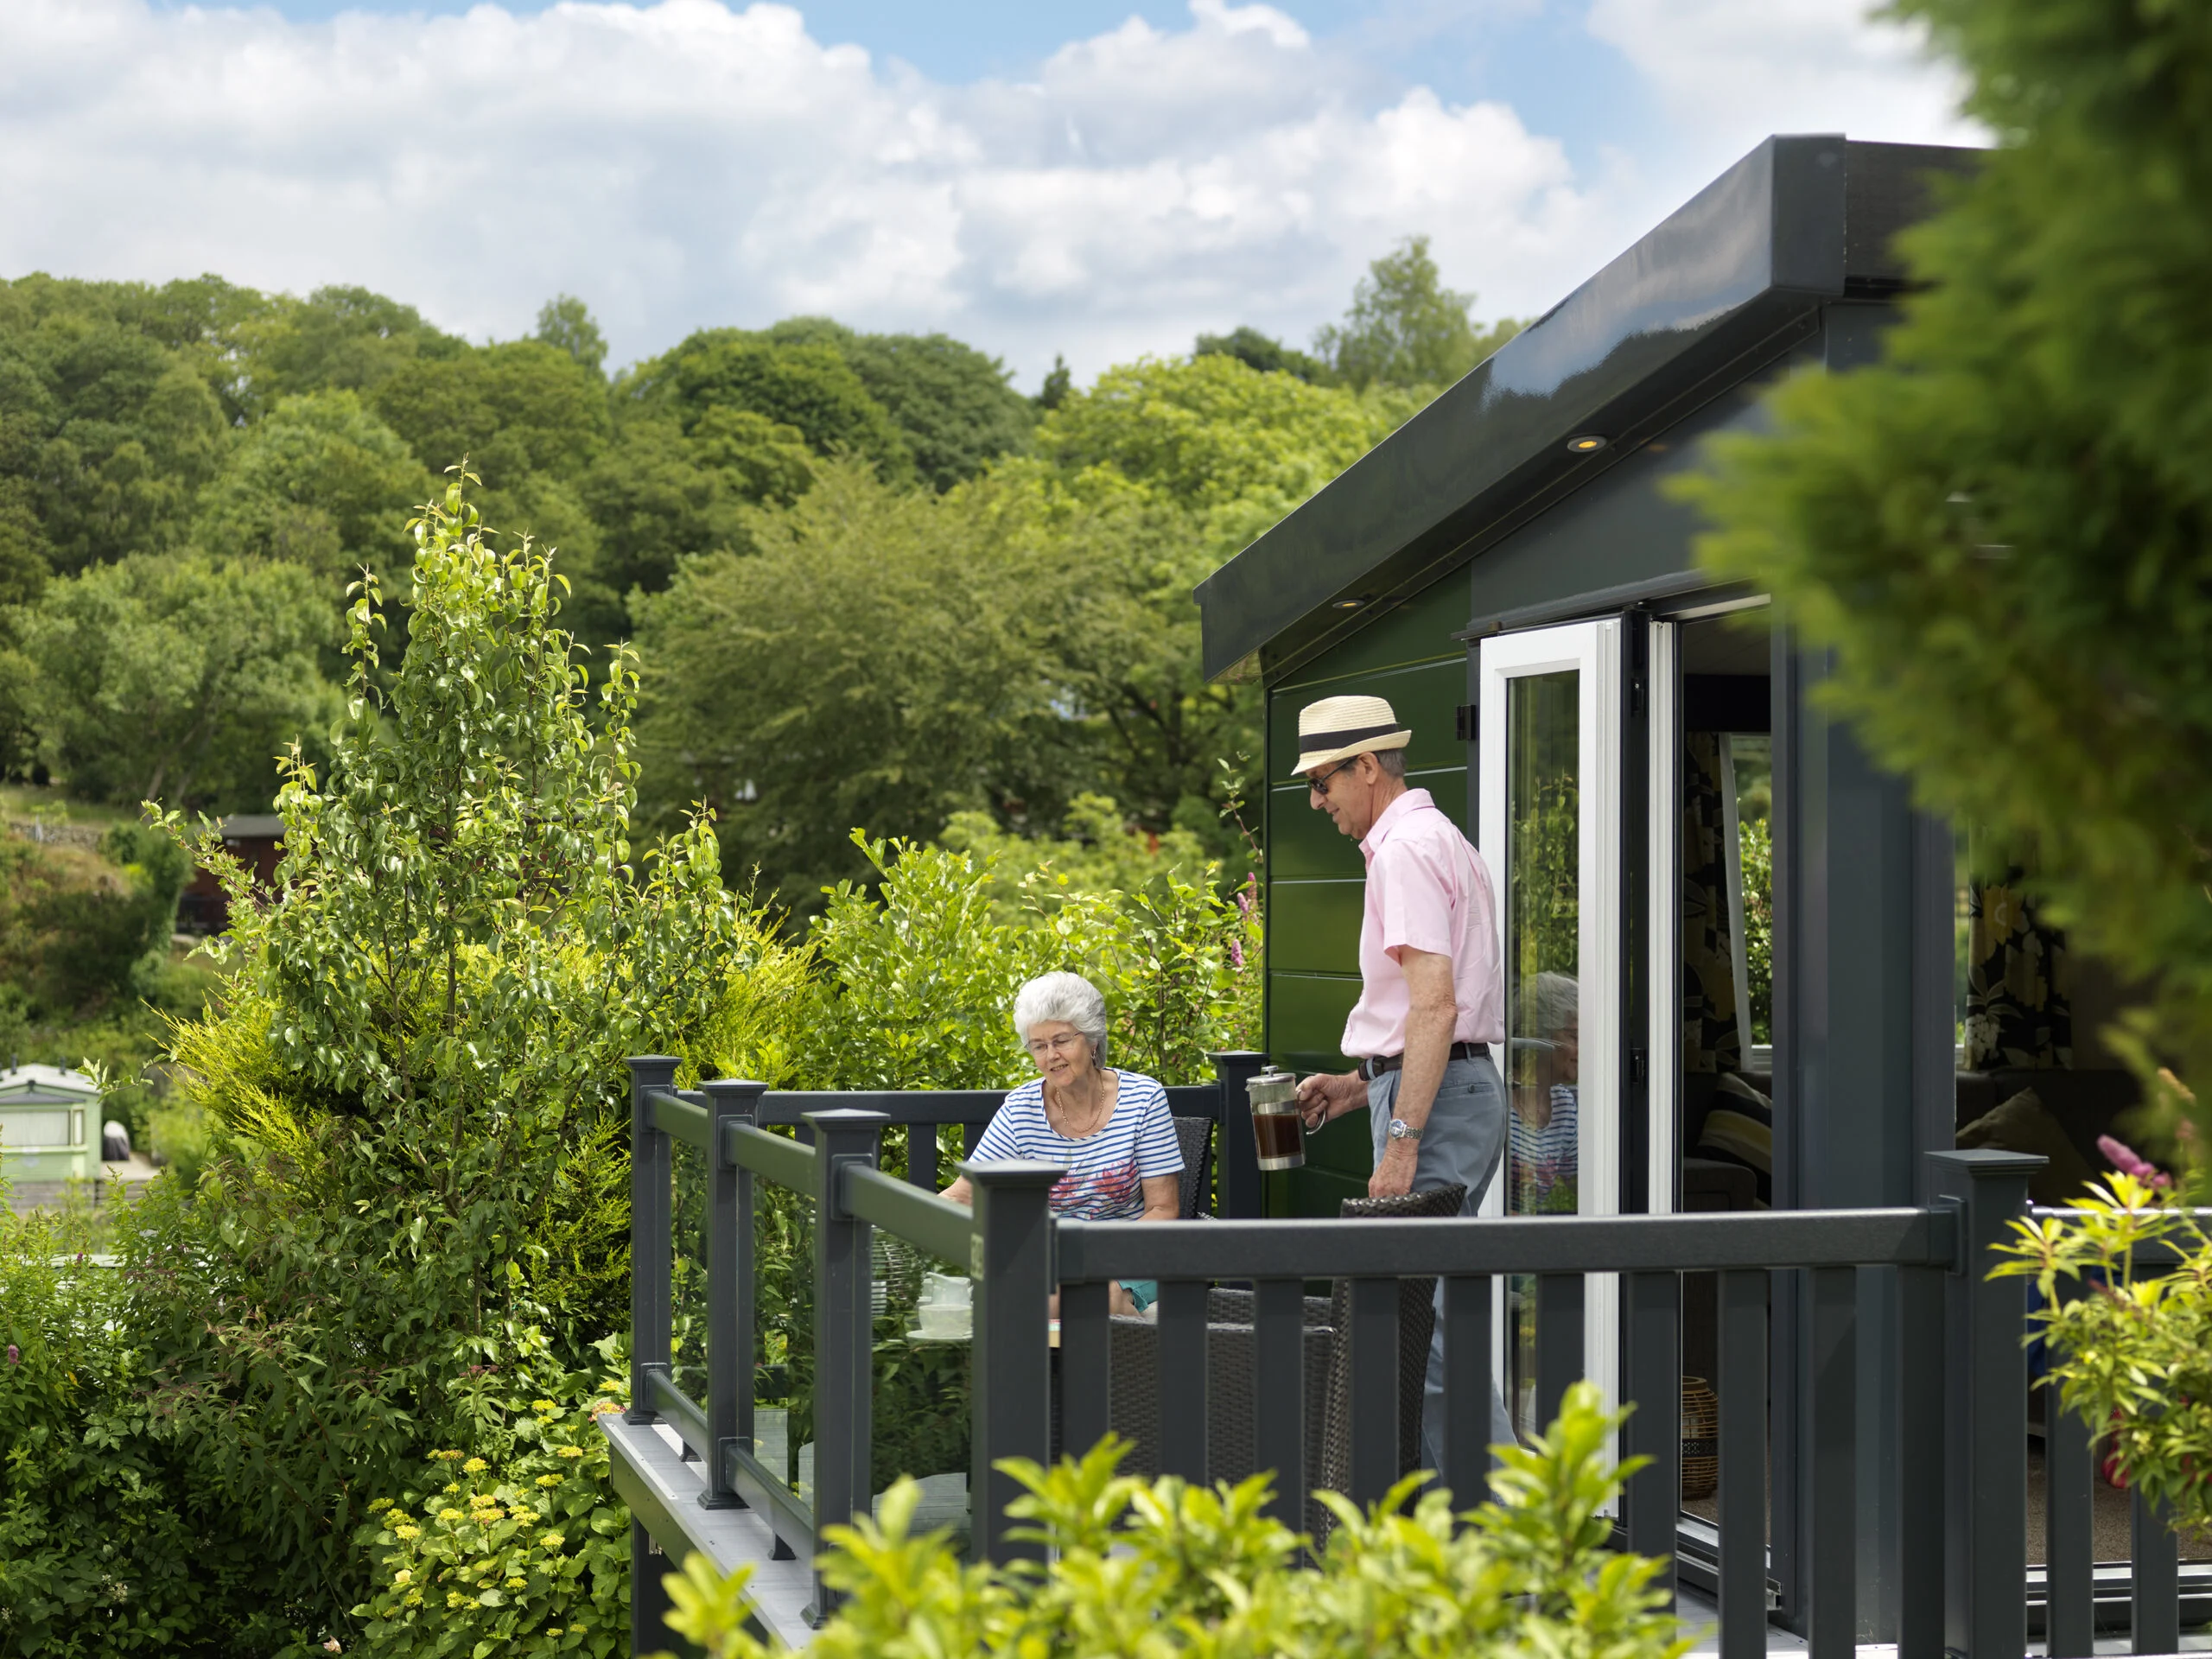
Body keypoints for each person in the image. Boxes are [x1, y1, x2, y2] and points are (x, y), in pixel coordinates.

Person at [1288, 692, 1516, 1476]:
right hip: (1449, 1089)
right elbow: (1430, 1015)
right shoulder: (1435, 838)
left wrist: (1403, 1140)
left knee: (1427, 1327)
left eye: (1322, 781)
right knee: (1435, 1317)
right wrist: (1358, 1088)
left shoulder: (1405, 851)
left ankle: (1486, 1531)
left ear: (1367, 766)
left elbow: (1436, 1004)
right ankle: (1493, 1520)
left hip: (1439, 1104)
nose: (1317, 801)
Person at [940, 970, 1182, 1315]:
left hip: (1133, 1253)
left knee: (1072, 1297)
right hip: (1052, 1261)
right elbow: (962, 1196)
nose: (1051, 1055)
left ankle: (1125, 1367)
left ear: (1092, 1039)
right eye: (1039, 1046)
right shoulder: (1022, 1110)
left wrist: (1085, 1252)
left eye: (1062, 1040)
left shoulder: (1143, 1099)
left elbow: (1163, 1209)